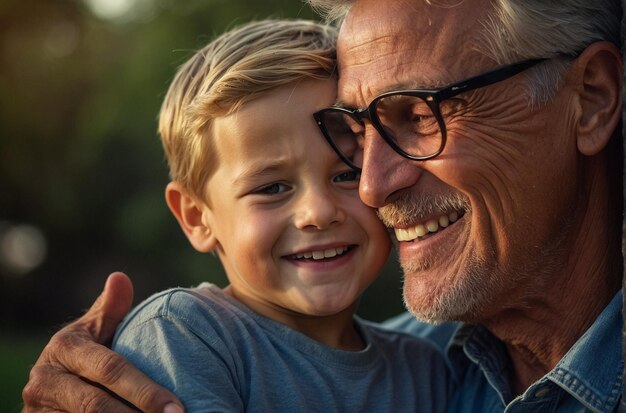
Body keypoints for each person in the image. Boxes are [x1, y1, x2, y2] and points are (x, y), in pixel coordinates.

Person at [21, 0, 624, 412]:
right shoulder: (441, 364)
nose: (370, 186)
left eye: (418, 115)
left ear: (591, 99)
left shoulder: (420, 373)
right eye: (359, 132)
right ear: (195, 216)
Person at [24, 18, 454, 412]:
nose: (318, 213)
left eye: (346, 174)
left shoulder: (427, 370)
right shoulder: (184, 335)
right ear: (196, 217)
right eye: (272, 188)